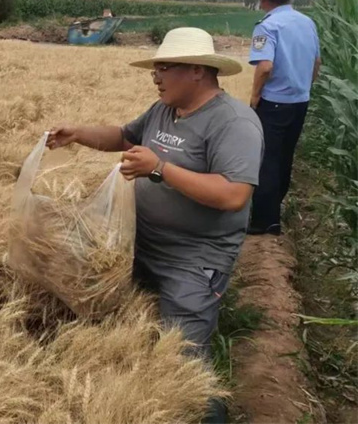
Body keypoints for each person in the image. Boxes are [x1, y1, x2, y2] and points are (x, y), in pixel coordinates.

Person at [47, 27, 263, 424]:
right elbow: (123, 137)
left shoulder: (234, 123)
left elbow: (234, 194)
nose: (155, 75)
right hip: (137, 241)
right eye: (155, 67)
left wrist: (161, 168)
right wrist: (77, 133)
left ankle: (208, 413)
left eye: (164, 66)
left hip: (194, 259)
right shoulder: (163, 110)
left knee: (183, 363)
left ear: (197, 70)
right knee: (99, 317)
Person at [248, 0, 321, 236]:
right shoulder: (307, 23)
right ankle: (274, 210)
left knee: (267, 159)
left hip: (274, 103)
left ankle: (265, 222)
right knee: (285, 157)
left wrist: (255, 96)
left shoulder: (267, 26)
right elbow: (316, 64)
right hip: (300, 101)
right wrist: (304, 88)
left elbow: (265, 66)